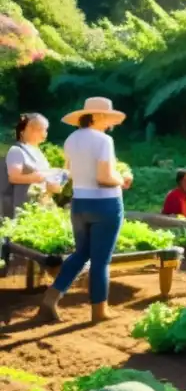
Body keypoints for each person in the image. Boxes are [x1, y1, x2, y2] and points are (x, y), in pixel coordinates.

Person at [40, 97, 132, 324]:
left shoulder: (71, 139)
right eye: (107, 118)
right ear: (97, 116)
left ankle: (50, 299)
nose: (110, 124)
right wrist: (122, 179)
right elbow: (104, 178)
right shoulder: (104, 140)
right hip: (105, 205)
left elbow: (70, 171)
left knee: (81, 253)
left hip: (80, 203)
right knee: (101, 260)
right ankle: (99, 310)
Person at [1, 113, 62, 219]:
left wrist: (53, 185)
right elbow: (13, 177)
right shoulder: (17, 150)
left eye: (45, 129)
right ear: (23, 131)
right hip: (23, 208)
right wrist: (37, 177)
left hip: (41, 205)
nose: (43, 133)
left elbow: (44, 178)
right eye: (39, 129)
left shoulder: (38, 152)